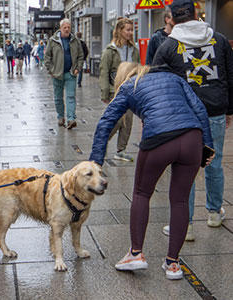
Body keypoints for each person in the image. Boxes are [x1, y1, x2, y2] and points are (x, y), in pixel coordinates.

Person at [89, 62, 214, 280]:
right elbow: (200, 109)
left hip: (159, 138)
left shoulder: (129, 86)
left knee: (141, 193)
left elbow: (106, 122)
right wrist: (207, 148)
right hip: (192, 137)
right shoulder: (173, 78)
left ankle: (136, 253)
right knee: (180, 200)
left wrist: (95, 162)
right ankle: (173, 264)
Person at [153, 0, 233, 240]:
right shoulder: (218, 40)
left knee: (184, 168)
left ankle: (184, 225)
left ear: (172, 18)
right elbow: (230, 75)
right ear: (196, 14)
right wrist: (229, 109)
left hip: (184, 114)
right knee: (214, 162)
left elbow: (157, 83)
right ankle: (214, 213)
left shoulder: (168, 46)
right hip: (215, 110)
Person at [99, 17, 140, 162]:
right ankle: (101, 145)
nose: (130, 32)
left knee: (128, 121)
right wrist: (105, 92)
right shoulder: (110, 50)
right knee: (116, 120)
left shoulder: (133, 49)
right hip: (114, 90)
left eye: (131, 30)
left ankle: (121, 150)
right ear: (120, 31)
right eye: (128, 30)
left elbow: (137, 68)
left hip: (130, 89)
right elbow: (104, 71)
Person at [44, 18, 84, 129]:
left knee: (71, 96)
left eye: (68, 27)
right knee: (58, 98)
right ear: (60, 28)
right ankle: (60, 117)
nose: (67, 29)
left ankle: (71, 119)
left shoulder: (75, 40)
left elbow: (81, 56)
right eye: (64, 27)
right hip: (57, 74)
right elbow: (47, 57)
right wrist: (51, 70)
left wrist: (77, 68)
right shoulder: (53, 41)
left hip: (71, 73)